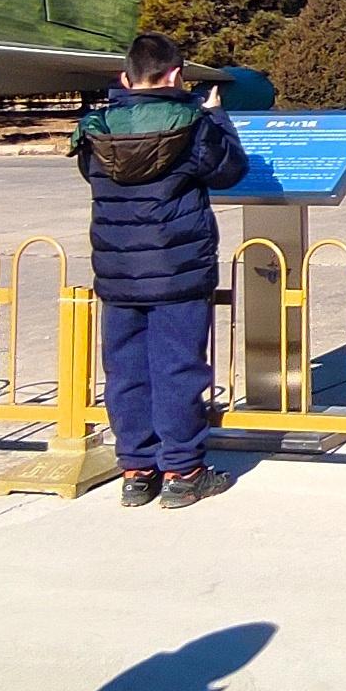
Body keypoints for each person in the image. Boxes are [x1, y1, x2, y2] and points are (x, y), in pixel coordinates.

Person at [73, 30, 253, 508]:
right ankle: (183, 471)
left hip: (117, 270)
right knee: (179, 367)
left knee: (126, 369)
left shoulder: (96, 126)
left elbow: (90, 174)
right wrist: (217, 117)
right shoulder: (193, 123)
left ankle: (136, 469)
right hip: (179, 268)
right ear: (175, 74)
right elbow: (229, 170)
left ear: (124, 77)